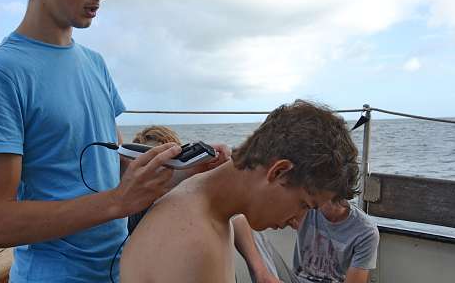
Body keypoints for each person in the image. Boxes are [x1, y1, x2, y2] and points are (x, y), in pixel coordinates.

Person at [0, 0, 228, 282]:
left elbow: (117, 171)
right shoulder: (0, 74)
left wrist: (188, 173)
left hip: (118, 270)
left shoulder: (95, 64)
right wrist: (118, 202)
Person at [120, 100, 360, 283]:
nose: (298, 222)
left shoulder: (206, 205)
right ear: (278, 172)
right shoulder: (195, 243)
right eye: (305, 205)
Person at [233, 199, 379, 283]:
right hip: (294, 280)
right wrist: (262, 274)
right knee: (251, 230)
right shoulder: (306, 205)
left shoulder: (365, 231)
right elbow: (240, 222)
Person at [127, 125, 183, 234]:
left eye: (166, 158)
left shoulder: (187, 193)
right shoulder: (135, 205)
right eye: (149, 161)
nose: (157, 166)